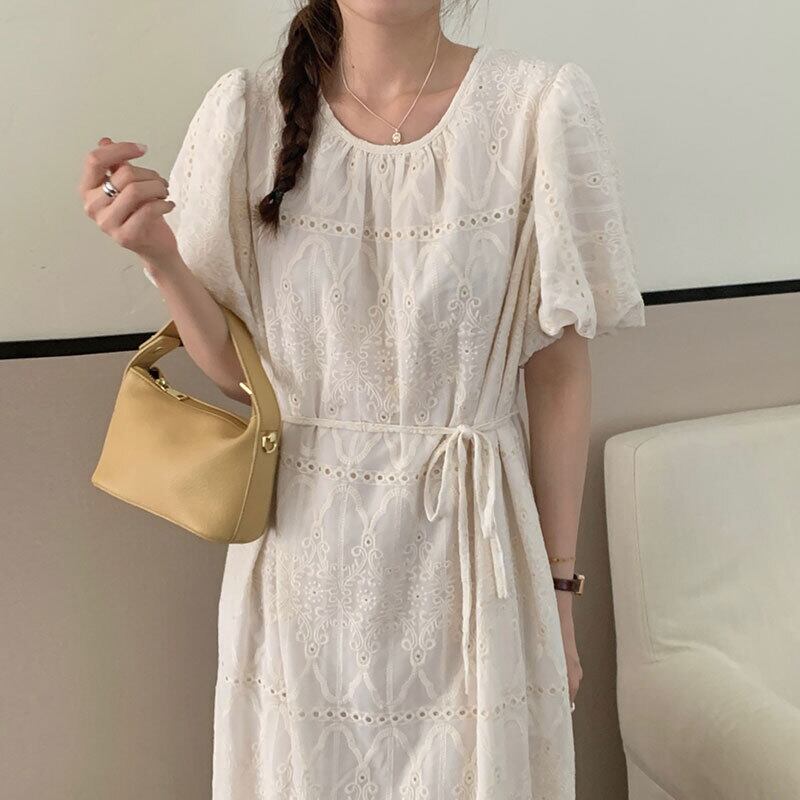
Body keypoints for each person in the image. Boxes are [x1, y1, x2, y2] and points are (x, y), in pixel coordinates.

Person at [78, 1, 646, 796]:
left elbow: (556, 376)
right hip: (305, 567)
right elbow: (242, 378)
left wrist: (558, 596)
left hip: (473, 562)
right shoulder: (247, 114)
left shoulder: (537, 109)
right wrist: (158, 256)